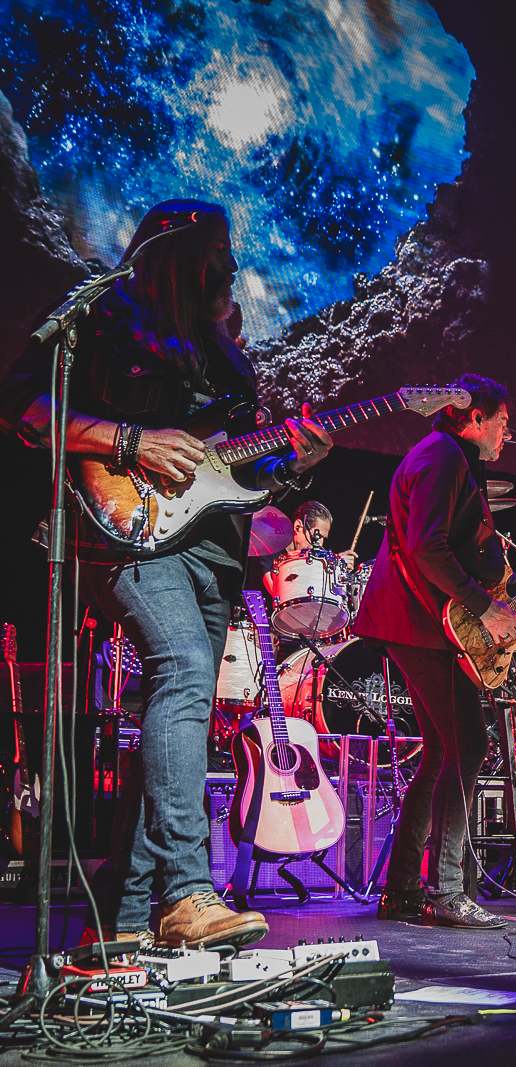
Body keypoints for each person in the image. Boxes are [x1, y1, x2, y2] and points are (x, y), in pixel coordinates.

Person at [0, 200, 332, 947]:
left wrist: (291, 461)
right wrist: (129, 440)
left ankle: (112, 929)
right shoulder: (108, 313)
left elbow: (232, 466)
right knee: (181, 668)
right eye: (220, 249)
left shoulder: (226, 353)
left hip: (211, 551)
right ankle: (187, 891)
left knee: (173, 710)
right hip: (119, 527)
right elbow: (18, 403)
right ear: (176, 252)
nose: (234, 266)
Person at [354, 373, 516, 928]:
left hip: (417, 622)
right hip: (420, 623)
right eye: (502, 422)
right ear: (475, 417)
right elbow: (426, 546)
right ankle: (446, 890)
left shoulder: (442, 457)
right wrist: (486, 607)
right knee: (468, 745)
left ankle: (404, 889)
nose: (506, 434)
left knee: (441, 752)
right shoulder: (444, 457)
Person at [260, 500, 357, 597]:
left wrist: (337, 568)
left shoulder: (313, 558)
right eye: (316, 536)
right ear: (298, 527)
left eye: (323, 538)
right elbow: (279, 595)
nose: (319, 543)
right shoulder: (270, 548)